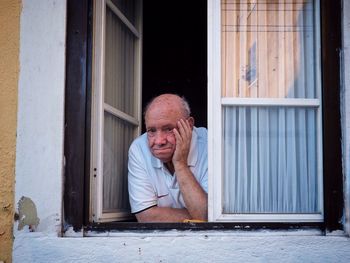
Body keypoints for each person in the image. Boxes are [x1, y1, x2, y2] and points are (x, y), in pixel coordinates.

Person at [128, 94, 208, 222]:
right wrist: (198, 214)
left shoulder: (211, 146)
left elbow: (206, 214)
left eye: (168, 129)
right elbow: (145, 217)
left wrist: (180, 164)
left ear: (189, 125)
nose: (159, 141)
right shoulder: (139, 149)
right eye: (151, 130)